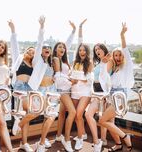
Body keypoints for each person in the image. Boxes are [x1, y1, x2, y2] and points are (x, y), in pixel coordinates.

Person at [8, 16, 45, 152]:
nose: (31, 51)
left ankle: (23, 141)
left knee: (34, 111)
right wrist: (13, 29)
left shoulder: (34, 63)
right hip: (19, 87)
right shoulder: (19, 58)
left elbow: (40, 44)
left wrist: (41, 27)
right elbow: (14, 44)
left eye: (33, 51)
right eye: (29, 50)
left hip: (29, 88)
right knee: (30, 111)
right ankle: (21, 132)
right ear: (25, 52)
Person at [99, 23, 134, 152]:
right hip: (111, 97)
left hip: (120, 98)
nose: (118, 57)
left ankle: (126, 137)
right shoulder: (114, 69)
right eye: (116, 55)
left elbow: (125, 48)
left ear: (123, 56)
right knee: (110, 123)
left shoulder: (127, 66)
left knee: (102, 121)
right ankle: (119, 144)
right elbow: (104, 78)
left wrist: (122, 35)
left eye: (120, 55)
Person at [69, 19, 93, 150]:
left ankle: (79, 139)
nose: (81, 52)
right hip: (74, 91)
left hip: (85, 92)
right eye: (80, 50)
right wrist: (72, 80)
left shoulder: (89, 63)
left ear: (87, 52)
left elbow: (88, 79)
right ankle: (82, 133)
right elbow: (74, 78)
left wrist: (80, 27)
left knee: (79, 114)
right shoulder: (75, 62)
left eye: (84, 50)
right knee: (75, 115)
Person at [52, 22, 76, 151]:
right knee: (72, 112)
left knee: (62, 113)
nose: (63, 48)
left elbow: (68, 43)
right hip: (62, 90)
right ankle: (67, 140)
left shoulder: (64, 60)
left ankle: (58, 136)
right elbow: (58, 76)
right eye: (60, 47)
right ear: (55, 49)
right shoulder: (56, 59)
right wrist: (71, 81)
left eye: (64, 47)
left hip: (67, 89)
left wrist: (73, 31)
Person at [85, 42, 110, 152]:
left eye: (99, 48)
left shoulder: (109, 61)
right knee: (88, 115)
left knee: (102, 118)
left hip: (104, 94)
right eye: (95, 50)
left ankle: (103, 139)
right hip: (96, 93)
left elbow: (107, 78)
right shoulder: (98, 63)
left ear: (104, 49)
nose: (97, 51)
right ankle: (97, 141)